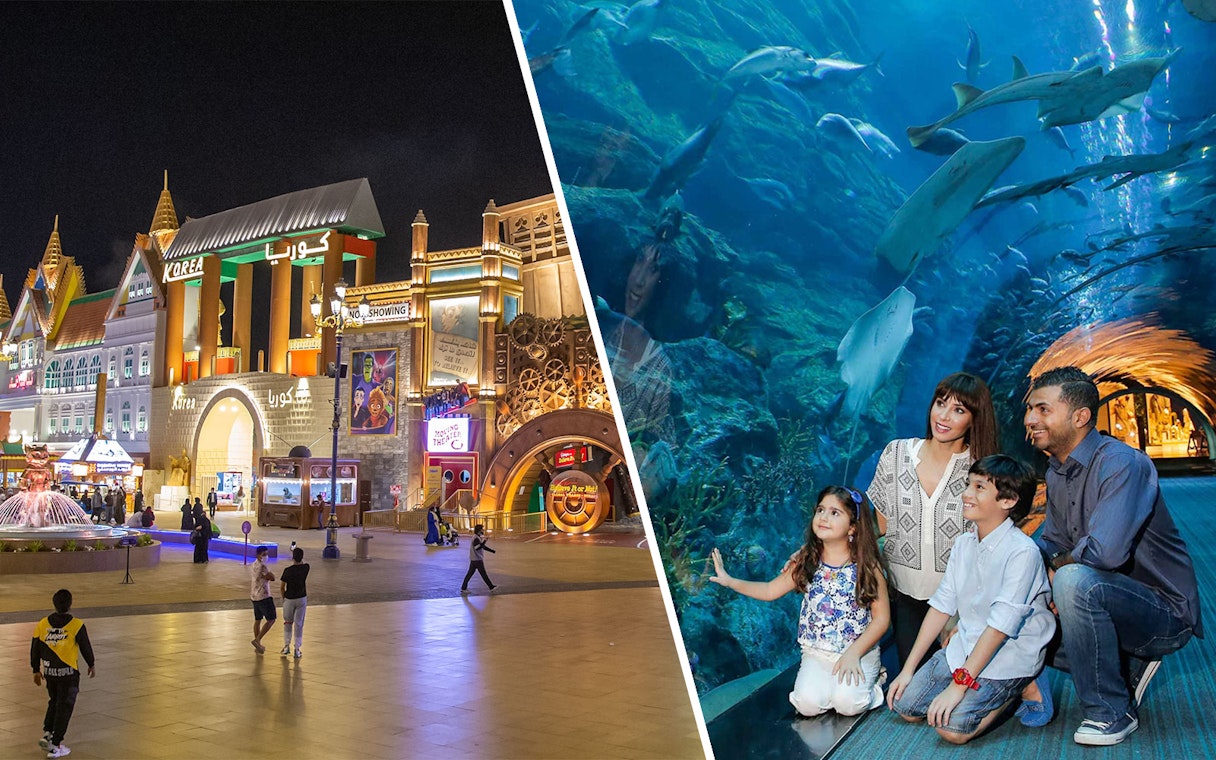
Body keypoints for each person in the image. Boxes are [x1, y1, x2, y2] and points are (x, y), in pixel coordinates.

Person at [1024, 366, 1202, 746]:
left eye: (1042, 409)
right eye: (1030, 409)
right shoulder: (1056, 472)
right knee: (1016, 595)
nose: (1030, 419)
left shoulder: (1122, 462)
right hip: (1104, 600)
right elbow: (1052, 543)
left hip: (1162, 612)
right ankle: (1125, 666)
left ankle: (1110, 712)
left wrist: (1058, 575)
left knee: (1074, 582)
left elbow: (1104, 554)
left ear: (1080, 416)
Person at [888, 455, 1053, 744]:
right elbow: (942, 605)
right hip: (967, 643)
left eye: (979, 487)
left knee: (951, 729)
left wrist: (959, 685)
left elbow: (1000, 628)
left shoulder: (1022, 553)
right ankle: (974, 688)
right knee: (906, 707)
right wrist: (908, 669)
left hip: (1008, 652)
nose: (966, 493)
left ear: (1008, 501)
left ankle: (1021, 686)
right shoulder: (964, 543)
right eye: (968, 484)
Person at [712, 486, 889, 717]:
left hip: (858, 651)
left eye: (835, 513)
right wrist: (731, 582)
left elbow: (882, 619)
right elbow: (769, 590)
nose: (824, 517)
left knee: (848, 705)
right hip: (817, 653)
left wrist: (854, 653)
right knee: (806, 705)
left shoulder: (867, 566)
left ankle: (873, 682)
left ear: (853, 527)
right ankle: (834, 687)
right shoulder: (807, 561)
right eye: (821, 510)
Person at [866, 372, 999, 667]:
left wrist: (962, 615)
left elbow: (989, 543)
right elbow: (881, 526)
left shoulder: (981, 470)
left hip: (962, 601)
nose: (944, 416)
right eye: (941, 403)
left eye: (959, 410)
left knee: (956, 696)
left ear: (974, 419)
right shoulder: (896, 453)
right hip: (904, 595)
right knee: (913, 707)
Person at [30, 589, 95, 759]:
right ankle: (56, 745)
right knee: (65, 706)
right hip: (68, 674)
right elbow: (85, 647)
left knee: (54, 701)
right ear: (70, 604)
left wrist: (36, 669)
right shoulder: (76, 625)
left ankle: (48, 732)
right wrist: (91, 664)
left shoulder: (42, 624)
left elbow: (35, 648)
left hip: (50, 673)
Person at [279, 547, 310, 659]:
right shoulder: (306, 568)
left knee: (288, 622)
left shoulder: (287, 571)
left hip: (289, 599)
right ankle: (297, 649)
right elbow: (303, 564)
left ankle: (286, 646)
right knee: (299, 624)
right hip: (301, 598)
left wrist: (284, 598)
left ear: (293, 557)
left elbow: (282, 587)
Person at [250, 546, 277, 653]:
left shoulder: (253, 565)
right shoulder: (263, 566)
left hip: (254, 595)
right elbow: (272, 577)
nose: (266, 556)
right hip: (264, 596)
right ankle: (257, 639)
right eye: (264, 554)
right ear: (258, 555)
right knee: (271, 619)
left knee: (258, 619)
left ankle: (258, 645)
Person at [460, 524, 497, 593]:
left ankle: (463, 588)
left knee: (470, 574)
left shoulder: (477, 537)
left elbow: (482, 546)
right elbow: (478, 548)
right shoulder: (476, 538)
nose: (483, 530)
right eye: (482, 529)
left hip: (474, 559)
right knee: (483, 574)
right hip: (477, 559)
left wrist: (492, 551)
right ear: (479, 530)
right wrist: (485, 541)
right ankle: (491, 587)